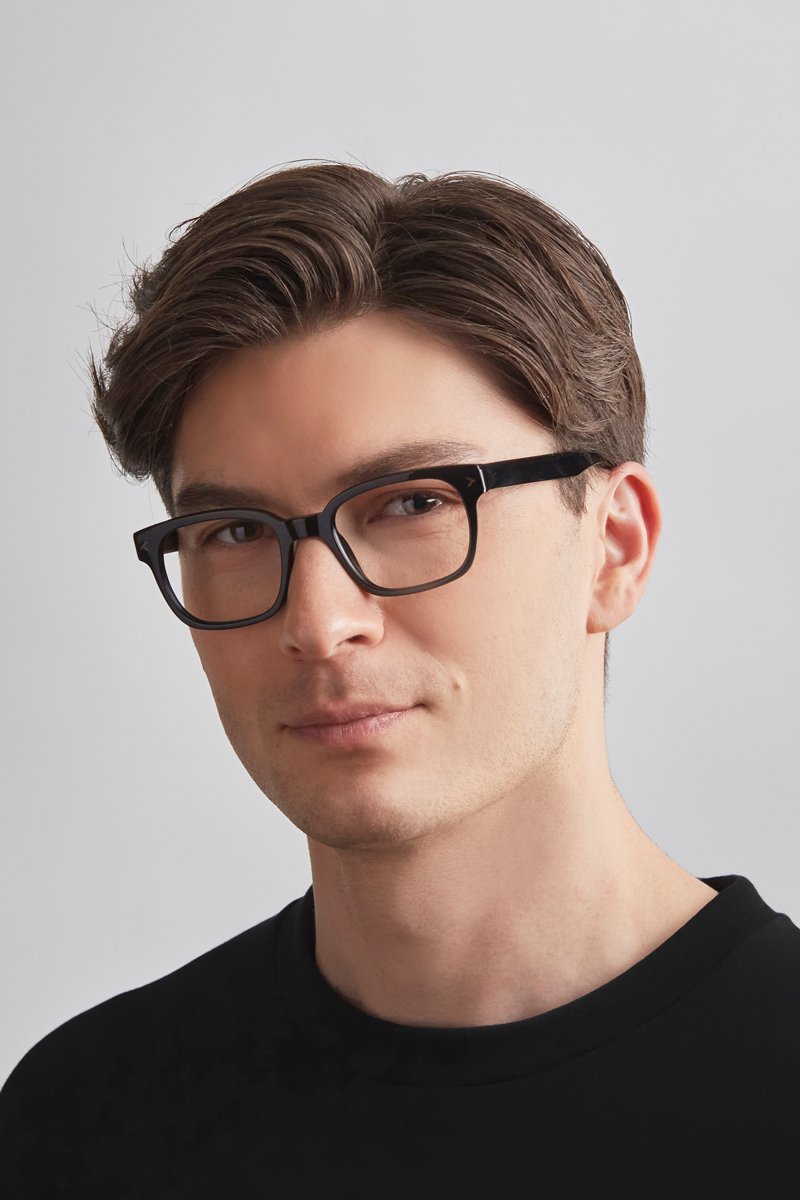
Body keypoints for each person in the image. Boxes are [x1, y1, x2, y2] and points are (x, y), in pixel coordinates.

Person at [1, 162, 798, 1196]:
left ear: (613, 547)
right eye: (235, 531)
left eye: (413, 502)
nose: (317, 623)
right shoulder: (81, 1123)